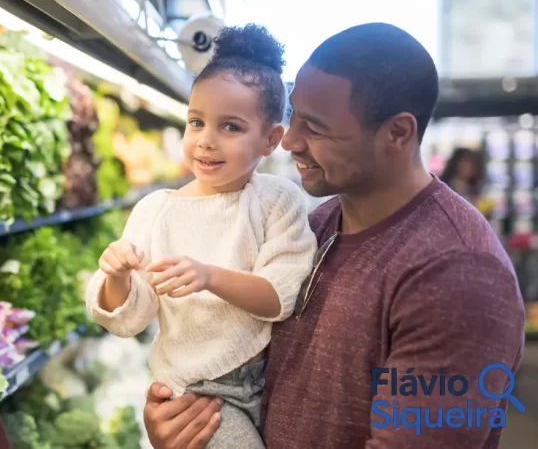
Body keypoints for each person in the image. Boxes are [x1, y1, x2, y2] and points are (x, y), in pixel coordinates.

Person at [142, 22, 526, 449]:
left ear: (397, 133)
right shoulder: (317, 224)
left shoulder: (457, 272)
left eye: (316, 127)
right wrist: (187, 426)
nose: (289, 142)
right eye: (294, 117)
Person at [85, 25, 317, 448]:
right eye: (196, 122)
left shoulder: (277, 200)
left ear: (270, 140)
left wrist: (209, 276)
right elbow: (130, 316)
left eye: (230, 127)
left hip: (269, 380)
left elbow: (281, 297)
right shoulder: (156, 211)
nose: (206, 141)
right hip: (198, 391)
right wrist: (117, 276)